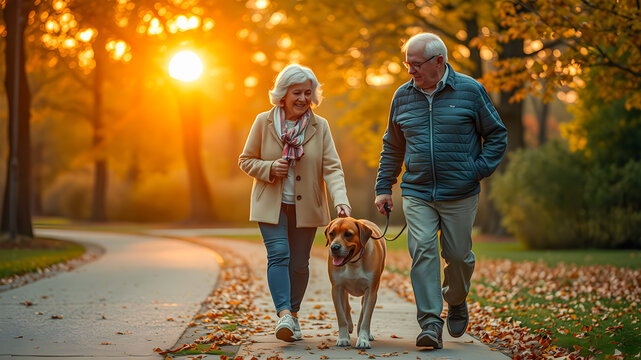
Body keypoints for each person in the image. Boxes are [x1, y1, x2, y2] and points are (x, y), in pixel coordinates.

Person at [374, 33, 508, 349]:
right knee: (422, 251)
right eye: (407, 64)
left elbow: (497, 135)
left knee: (459, 257)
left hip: (460, 192)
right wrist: (384, 187)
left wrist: (475, 170)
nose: (410, 71)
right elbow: (392, 146)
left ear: (439, 62)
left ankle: (456, 299)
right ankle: (431, 323)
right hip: (417, 191)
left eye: (416, 64)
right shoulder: (402, 96)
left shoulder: (471, 91)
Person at [239, 64, 351, 342]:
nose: (302, 98)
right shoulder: (263, 121)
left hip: (307, 207)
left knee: (299, 264)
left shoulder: (320, 126)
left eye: (307, 93)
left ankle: (294, 316)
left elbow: (333, 168)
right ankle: (284, 315)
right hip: (271, 204)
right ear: (283, 94)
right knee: (279, 255)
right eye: (296, 92)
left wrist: (341, 201)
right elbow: (245, 160)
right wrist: (268, 168)